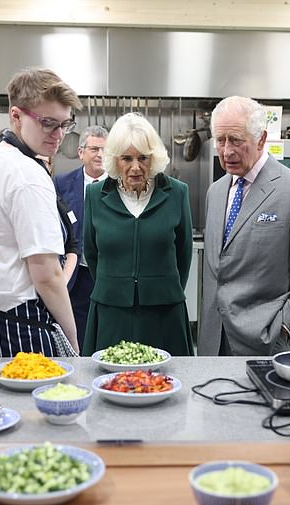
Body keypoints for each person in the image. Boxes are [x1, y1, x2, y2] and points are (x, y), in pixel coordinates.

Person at [0, 68, 81, 357]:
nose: (59, 135)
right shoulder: (26, 175)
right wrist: (74, 343)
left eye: (66, 124)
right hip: (20, 327)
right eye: (48, 123)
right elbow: (47, 275)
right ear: (16, 116)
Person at [198, 96, 290, 356]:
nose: (226, 152)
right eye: (220, 140)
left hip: (264, 342)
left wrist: (283, 327)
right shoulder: (215, 192)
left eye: (236, 140)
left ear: (261, 139)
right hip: (213, 340)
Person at [81, 112, 194, 356]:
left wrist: (162, 287)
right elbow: (91, 252)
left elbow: (184, 254)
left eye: (143, 158)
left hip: (164, 312)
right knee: (108, 381)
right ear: (114, 159)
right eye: (126, 158)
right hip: (111, 310)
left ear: (154, 158)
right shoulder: (95, 196)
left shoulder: (176, 193)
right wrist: (115, 282)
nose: (135, 167)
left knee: (166, 382)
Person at [54, 125, 108, 349]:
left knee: (106, 336)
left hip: (107, 273)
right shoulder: (61, 183)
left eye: (105, 150)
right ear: (80, 153)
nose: (100, 155)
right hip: (76, 275)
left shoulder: (119, 184)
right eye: (94, 149)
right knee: (78, 337)